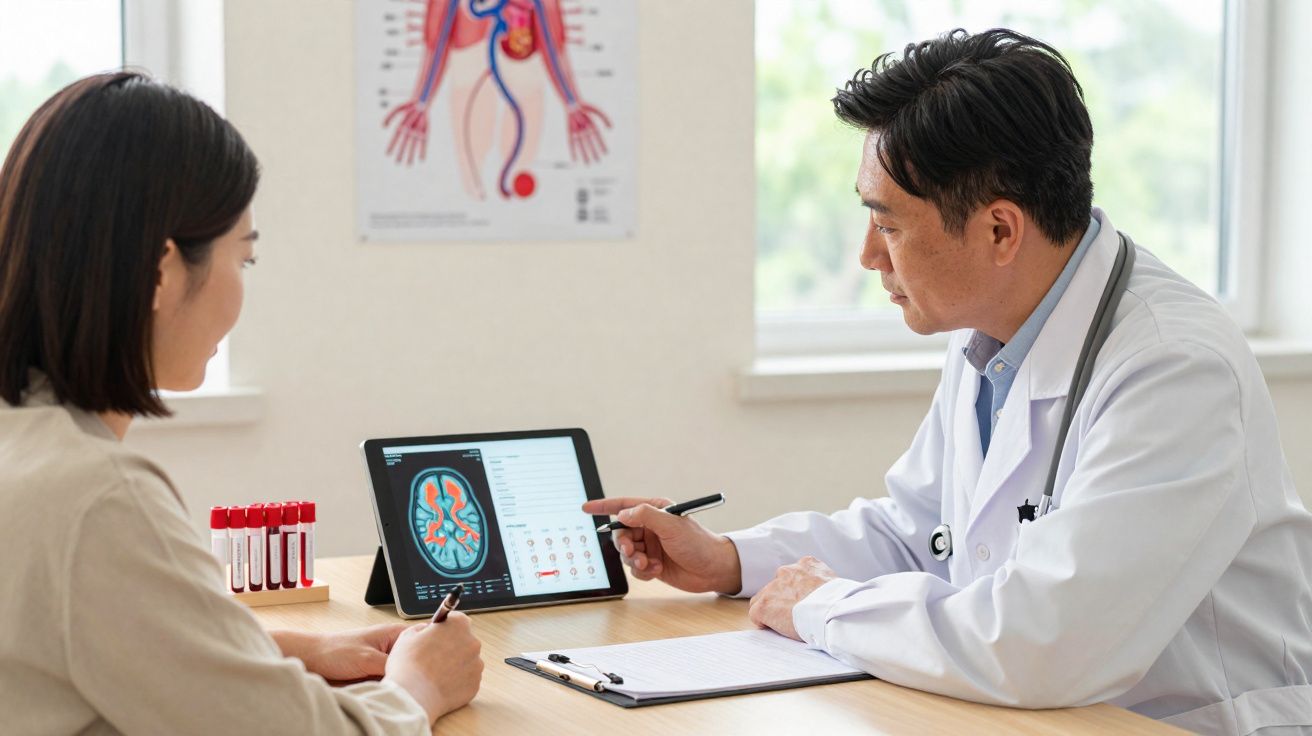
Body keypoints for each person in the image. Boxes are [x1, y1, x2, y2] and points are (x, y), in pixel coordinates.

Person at [585, 29, 1312, 734]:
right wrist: (731, 558)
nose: (868, 255)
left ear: (1000, 231)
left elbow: (1045, 646)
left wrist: (822, 607)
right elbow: (918, 532)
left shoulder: (1174, 368)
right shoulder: (995, 327)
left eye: (888, 225)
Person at [0, 72, 482, 734]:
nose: (242, 291)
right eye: (243, 259)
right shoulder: (99, 498)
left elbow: (66, 649)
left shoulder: (24, 449)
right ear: (160, 273)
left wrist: (272, 652)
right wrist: (418, 687)